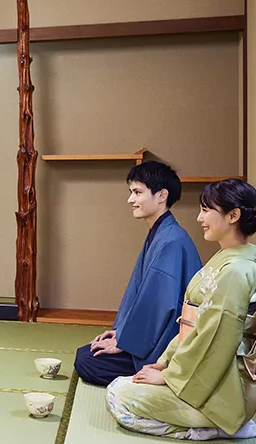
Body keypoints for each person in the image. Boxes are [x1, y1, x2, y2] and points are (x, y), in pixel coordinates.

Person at [106, 178, 256, 440]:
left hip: (217, 393)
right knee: (120, 385)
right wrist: (163, 364)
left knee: (120, 399)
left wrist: (169, 376)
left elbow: (214, 341)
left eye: (206, 210)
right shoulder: (224, 261)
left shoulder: (235, 271)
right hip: (194, 374)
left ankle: (218, 426)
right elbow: (191, 327)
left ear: (233, 216)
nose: (199, 218)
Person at [74, 161, 202, 386]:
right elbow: (139, 294)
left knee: (87, 361)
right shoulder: (162, 233)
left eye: (137, 192)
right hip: (152, 336)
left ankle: (161, 377)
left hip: (166, 344)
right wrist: (120, 333)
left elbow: (159, 306)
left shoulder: (171, 240)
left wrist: (125, 343)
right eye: (131, 192)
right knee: (87, 353)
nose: (130, 200)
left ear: (162, 195)